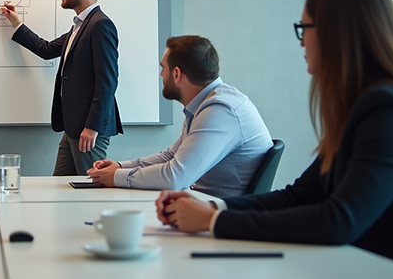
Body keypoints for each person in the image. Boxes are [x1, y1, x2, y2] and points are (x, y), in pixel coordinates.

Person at [156, 0, 393, 279]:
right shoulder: (362, 107)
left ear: (338, 33)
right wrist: (212, 205)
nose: (302, 39)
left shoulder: (392, 110)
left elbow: (339, 220)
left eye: (305, 27)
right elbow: (299, 196)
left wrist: (213, 220)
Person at [87, 36, 272, 198]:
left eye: (163, 68)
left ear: (176, 74)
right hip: (204, 207)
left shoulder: (221, 110)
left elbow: (175, 176)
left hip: (222, 218)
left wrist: (116, 177)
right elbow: (171, 156)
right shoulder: (204, 104)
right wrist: (119, 167)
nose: (160, 74)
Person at [0, 0, 122, 175]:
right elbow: (46, 49)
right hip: (73, 126)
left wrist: (92, 127)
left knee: (92, 189)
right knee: (60, 187)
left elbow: (108, 80)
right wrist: (17, 22)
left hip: (88, 128)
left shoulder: (100, 25)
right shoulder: (80, 26)